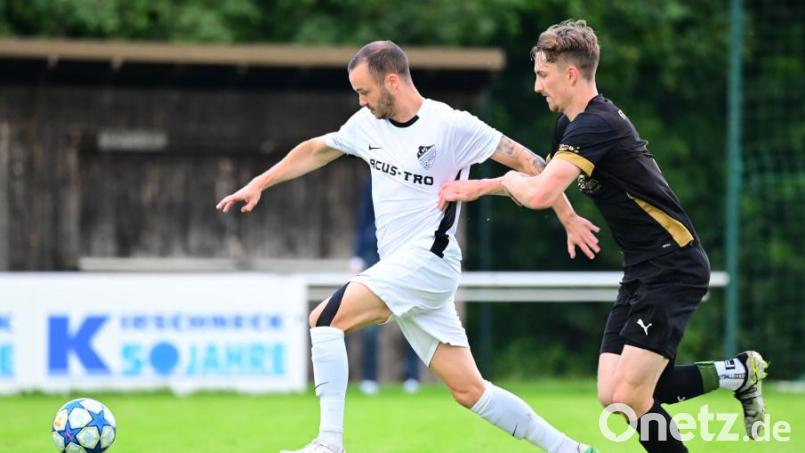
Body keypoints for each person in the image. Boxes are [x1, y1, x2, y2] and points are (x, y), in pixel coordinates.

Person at [217, 40, 601, 453]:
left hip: (429, 262)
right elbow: (316, 149)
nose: (360, 101)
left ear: (393, 82)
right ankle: (572, 450)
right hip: (406, 269)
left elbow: (533, 165)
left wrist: (567, 217)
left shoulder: (452, 125)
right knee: (471, 391)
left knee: (324, 320)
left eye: (364, 91)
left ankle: (329, 444)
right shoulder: (366, 126)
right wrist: (260, 182)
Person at [438, 19, 769, 453]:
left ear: (570, 74)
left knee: (631, 398)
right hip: (643, 267)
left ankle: (740, 374)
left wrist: (487, 185)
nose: (538, 87)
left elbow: (537, 191)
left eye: (542, 75)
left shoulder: (597, 125)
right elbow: (546, 173)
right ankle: (739, 373)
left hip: (674, 264)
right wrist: (571, 219)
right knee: (614, 394)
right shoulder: (571, 126)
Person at [349, 178, 420, 395]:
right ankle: (370, 378)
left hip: (405, 252)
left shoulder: (414, 178)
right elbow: (364, 218)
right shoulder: (375, 178)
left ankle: (412, 377)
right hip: (373, 254)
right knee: (369, 323)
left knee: (410, 315)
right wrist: (358, 254)